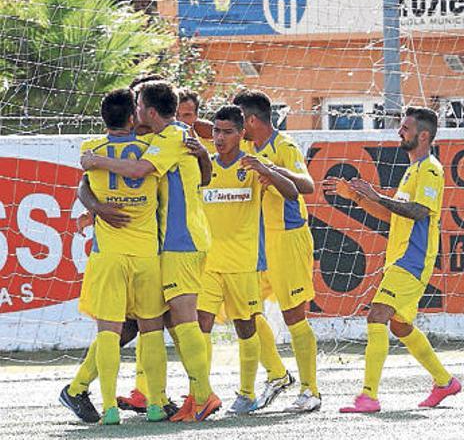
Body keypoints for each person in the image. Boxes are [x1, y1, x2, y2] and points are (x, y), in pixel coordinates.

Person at [80, 80, 220, 421]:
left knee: (184, 320)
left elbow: (140, 169)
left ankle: (202, 397)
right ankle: (160, 395)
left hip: (180, 240)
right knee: (167, 321)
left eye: (139, 105)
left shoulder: (172, 137)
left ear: (150, 112)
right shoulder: (169, 137)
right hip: (173, 242)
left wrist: (95, 160)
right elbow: (205, 178)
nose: (136, 111)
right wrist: (94, 204)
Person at [323, 107, 461, 413]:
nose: (400, 132)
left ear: (423, 135)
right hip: (399, 259)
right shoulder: (412, 170)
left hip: (413, 261)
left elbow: (418, 211)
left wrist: (374, 193)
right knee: (400, 325)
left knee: (377, 316)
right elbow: (392, 215)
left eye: (405, 128)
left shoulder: (430, 170)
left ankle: (368, 396)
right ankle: (444, 382)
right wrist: (359, 198)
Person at [59, 89, 168, 425]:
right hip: (147, 252)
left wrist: (96, 207)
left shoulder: (89, 149)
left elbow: (84, 182)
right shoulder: (154, 147)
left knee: (109, 330)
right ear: (134, 117)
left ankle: (108, 409)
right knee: (150, 329)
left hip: (108, 254)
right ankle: (155, 404)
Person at [195, 105, 301, 415]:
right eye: (216, 131)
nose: (219, 137)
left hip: (243, 263)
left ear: (242, 134)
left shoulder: (253, 165)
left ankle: (246, 393)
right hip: (209, 263)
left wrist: (267, 171)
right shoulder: (206, 166)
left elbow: (293, 192)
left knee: (245, 327)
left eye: (227, 132)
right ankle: (201, 391)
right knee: (201, 325)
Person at [231, 89, 320, 413]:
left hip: (288, 238)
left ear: (252, 120)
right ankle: (278, 374)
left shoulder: (284, 146)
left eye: (239, 121)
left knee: (293, 314)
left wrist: (271, 170)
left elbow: (307, 186)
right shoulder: (247, 145)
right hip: (259, 241)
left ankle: (311, 391)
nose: (236, 129)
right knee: (246, 310)